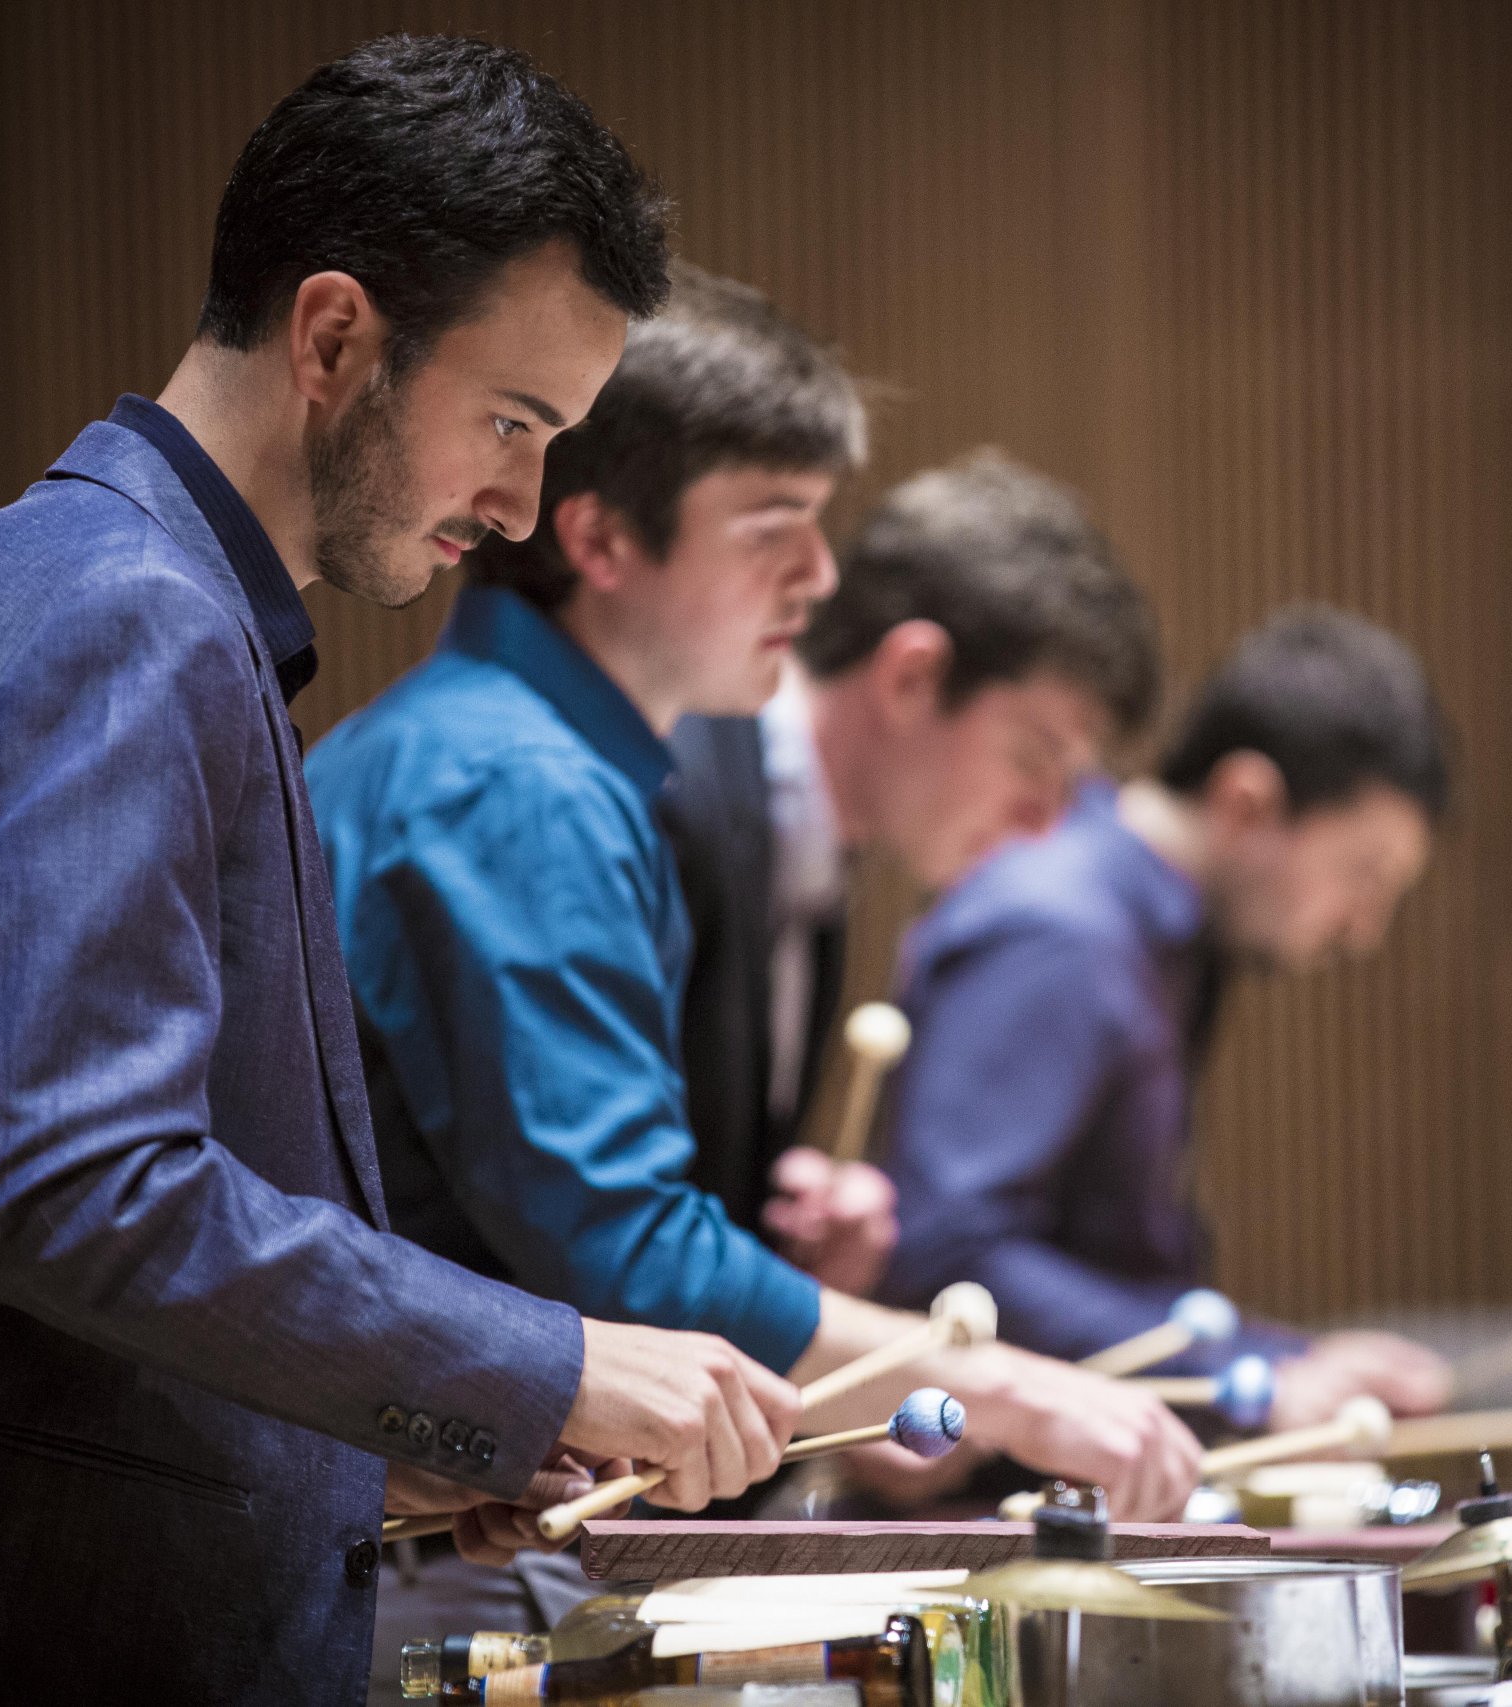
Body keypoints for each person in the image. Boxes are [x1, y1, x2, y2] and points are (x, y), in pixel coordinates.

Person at [0, 40, 802, 1705]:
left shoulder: (23, 574)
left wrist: (371, 1451)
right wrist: (545, 1358)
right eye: (510, 418)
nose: (525, 498)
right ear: (336, 334)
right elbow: (80, 1186)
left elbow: (38, 1283)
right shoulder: (124, 619)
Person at [307, 269, 1205, 1529]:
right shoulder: (514, 784)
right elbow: (625, 1247)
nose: (822, 575)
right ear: (604, 538)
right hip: (314, 1530)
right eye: (774, 521)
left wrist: (807, 1308)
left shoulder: (553, 767)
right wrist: (1003, 1389)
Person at [877, 608, 1461, 1428]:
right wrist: (1243, 1372)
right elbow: (943, 1257)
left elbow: (1109, 1263)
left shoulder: (1169, 937)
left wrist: (1289, 1359)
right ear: (1247, 800)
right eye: (1362, 875)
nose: (1363, 931)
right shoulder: (1060, 929)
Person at [663, 451, 1161, 1298]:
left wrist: (793, 1252)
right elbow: (593, 1228)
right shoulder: (674, 792)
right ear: (913, 676)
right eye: (1034, 756)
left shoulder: (816, 858)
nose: (1045, 822)